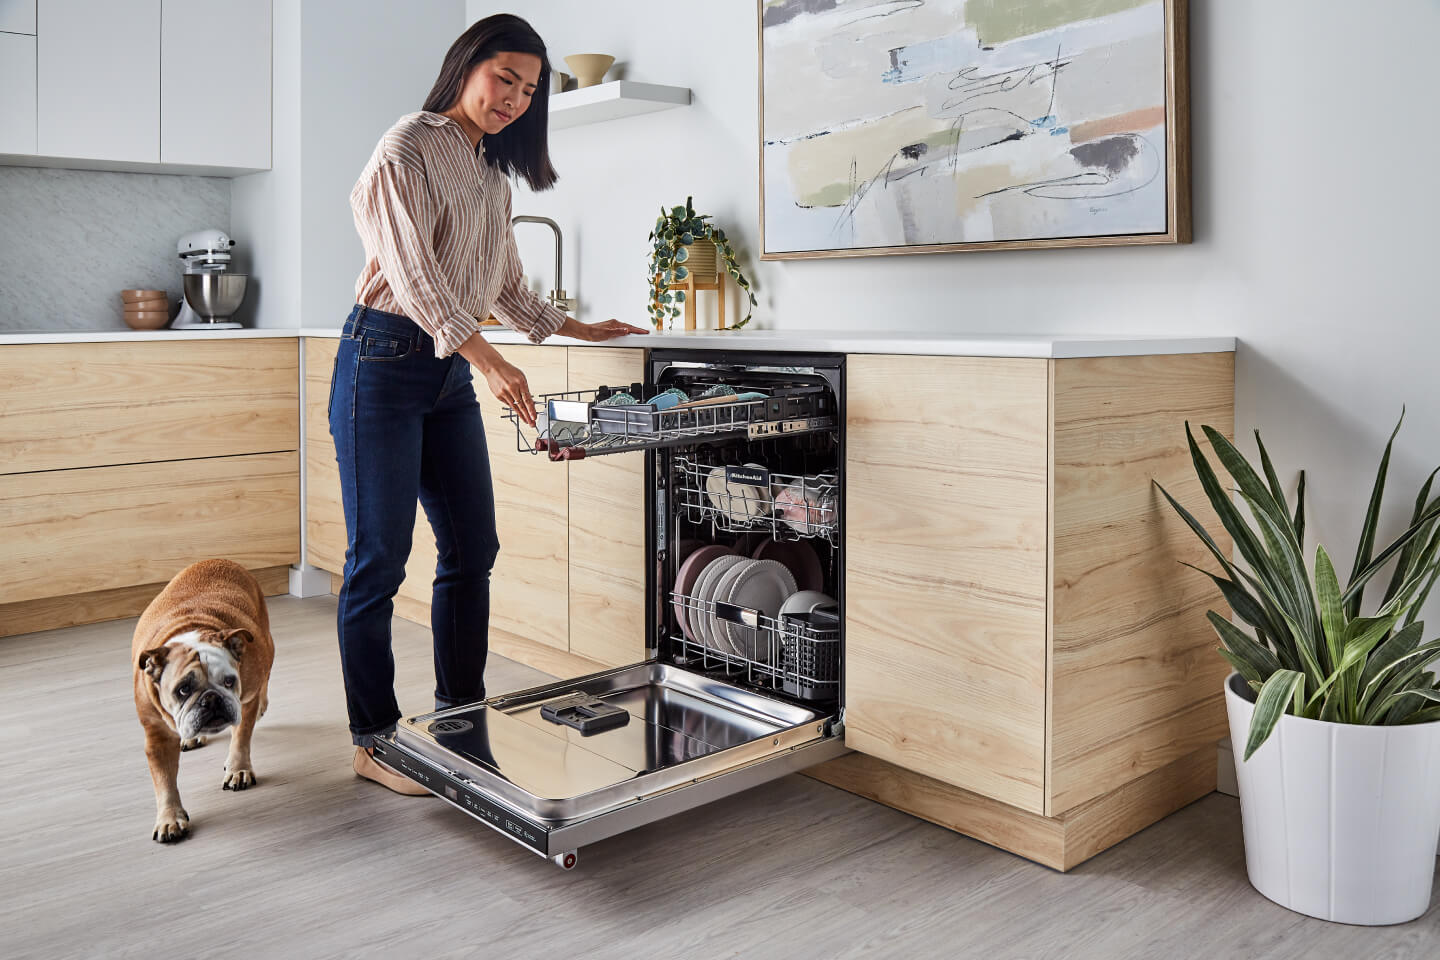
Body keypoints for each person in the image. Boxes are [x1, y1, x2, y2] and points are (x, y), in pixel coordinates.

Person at [331, 13, 646, 794]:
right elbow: (414, 277)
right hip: (381, 360)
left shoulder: (489, 173)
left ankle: (457, 718)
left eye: (529, 90)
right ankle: (372, 742)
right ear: (467, 65)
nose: (513, 98)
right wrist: (490, 359)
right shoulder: (408, 145)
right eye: (504, 77)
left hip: (442, 375)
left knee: (474, 550)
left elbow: (500, 283)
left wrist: (573, 325)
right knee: (379, 562)